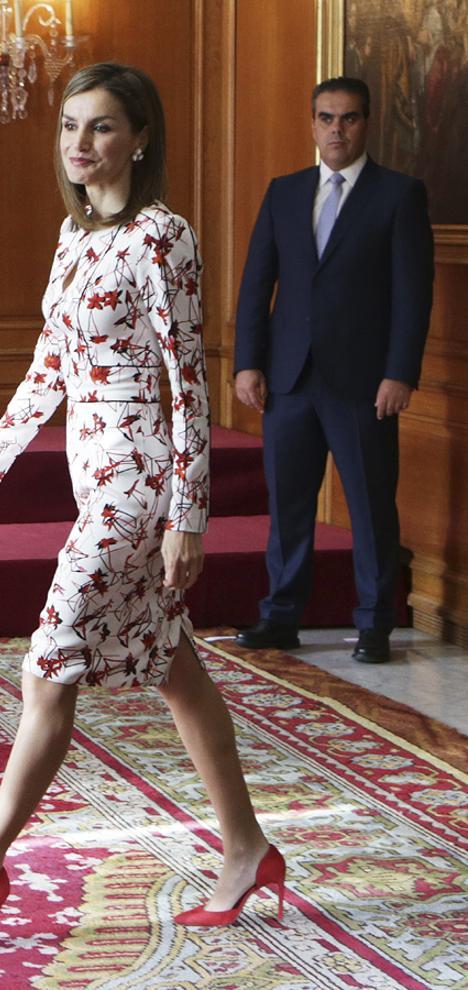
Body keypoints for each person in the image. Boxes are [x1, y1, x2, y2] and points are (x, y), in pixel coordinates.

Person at [0, 62, 285, 941]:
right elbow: (46, 373)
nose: (80, 144)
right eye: (71, 126)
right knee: (175, 669)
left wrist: (190, 514)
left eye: (101, 127)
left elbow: (190, 385)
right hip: (93, 477)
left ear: (139, 138)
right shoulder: (74, 241)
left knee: (48, 665)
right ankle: (248, 847)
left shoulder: (162, 237)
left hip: (141, 486)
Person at [234, 76, 434, 664]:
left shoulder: (399, 195)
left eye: (348, 118)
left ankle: (375, 625)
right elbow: (256, 286)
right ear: (312, 123)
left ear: (366, 123)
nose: (336, 129)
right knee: (289, 504)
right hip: (288, 378)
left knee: (371, 505)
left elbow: (413, 294)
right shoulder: (285, 192)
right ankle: (281, 616)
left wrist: (400, 372)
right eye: (326, 118)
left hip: (365, 382)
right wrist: (248, 362)